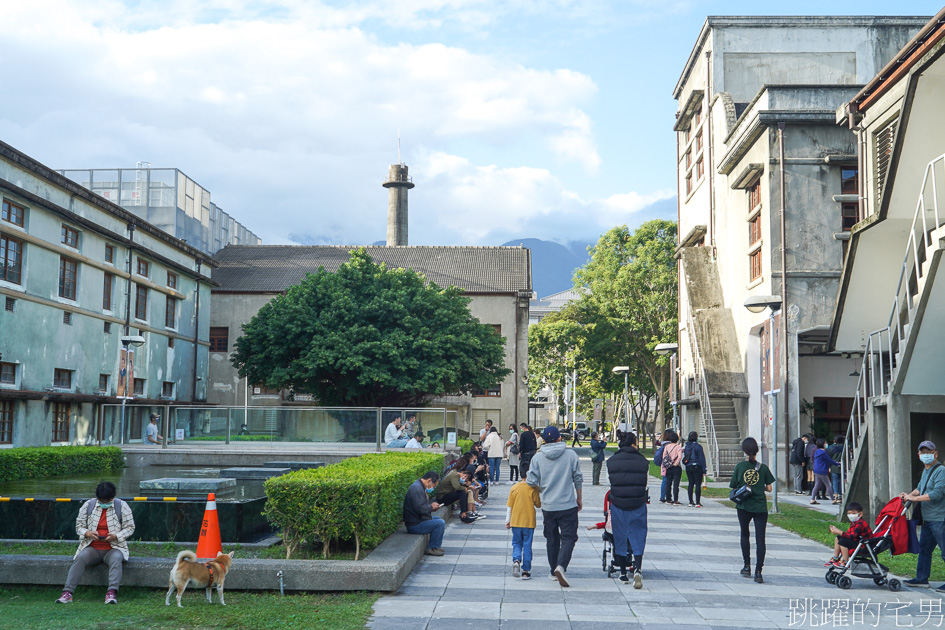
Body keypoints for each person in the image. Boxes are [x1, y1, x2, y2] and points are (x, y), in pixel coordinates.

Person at [55, 481, 136, 604]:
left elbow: (130, 527)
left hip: (114, 547)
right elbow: (79, 526)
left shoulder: (122, 506)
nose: (104, 504)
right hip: (92, 547)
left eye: (107, 501)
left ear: (112, 497)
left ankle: (111, 593)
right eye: (101, 501)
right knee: (80, 558)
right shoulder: (89, 505)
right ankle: (67, 593)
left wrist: (116, 536)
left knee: (116, 558)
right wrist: (87, 533)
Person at [526, 426, 583, 587]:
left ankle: (553, 571)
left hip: (548, 506)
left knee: (551, 538)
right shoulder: (571, 455)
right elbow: (578, 478)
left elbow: (530, 481)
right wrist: (579, 498)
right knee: (569, 537)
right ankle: (561, 566)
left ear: (543, 440)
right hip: (568, 504)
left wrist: (541, 488)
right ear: (560, 438)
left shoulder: (537, 458)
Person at [729, 437, 775, 584]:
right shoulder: (763, 467)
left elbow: (733, 486)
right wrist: (758, 485)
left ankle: (746, 566)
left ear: (744, 450)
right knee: (760, 539)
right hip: (760, 507)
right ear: (756, 450)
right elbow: (769, 488)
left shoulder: (739, 467)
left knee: (744, 534)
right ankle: (758, 572)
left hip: (743, 506)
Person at [606, 431, 649, 588]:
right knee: (638, 535)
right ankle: (637, 569)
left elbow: (609, 483)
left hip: (618, 504)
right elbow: (645, 484)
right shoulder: (643, 462)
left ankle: (623, 573)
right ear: (633, 444)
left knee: (620, 537)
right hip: (638, 504)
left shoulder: (611, 461)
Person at [901, 440, 945, 589]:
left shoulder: (941, 471)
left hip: (940, 519)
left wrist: (914, 498)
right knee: (924, 549)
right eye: (923, 452)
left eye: (929, 452)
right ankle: (921, 578)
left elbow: (937, 494)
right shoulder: (926, 470)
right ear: (919, 455)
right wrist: (908, 495)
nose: (925, 455)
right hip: (927, 519)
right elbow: (920, 488)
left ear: (936, 454)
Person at [403, 471, 445, 556]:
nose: (433, 488)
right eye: (434, 485)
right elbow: (420, 508)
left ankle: (436, 546)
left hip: (417, 520)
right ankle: (432, 547)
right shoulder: (417, 489)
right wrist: (431, 507)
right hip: (414, 524)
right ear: (429, 480)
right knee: (440, 523)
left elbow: (420, 506)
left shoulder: (418, 486)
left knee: (438, 519)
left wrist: (431, 508)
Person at [506, 478, 541, 581]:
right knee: (527, 545)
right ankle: (525, 571)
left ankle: (516, 560)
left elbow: (509, 506)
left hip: (516, 521)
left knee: (516, 543)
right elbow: (538, 504)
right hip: (529, 522)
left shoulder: (514, 487)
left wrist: (508, 520)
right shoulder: (532, 488)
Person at [826, 502, 871, 567]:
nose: (850, 515)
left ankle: (845, 561)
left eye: (853, 513)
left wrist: (839, 531)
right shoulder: (854, 522)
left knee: (843, 541)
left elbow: (852, 536)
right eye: (849, 513)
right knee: (838, 538)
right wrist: (837, 531)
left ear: (860, 514)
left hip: (863, 544)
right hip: (857, 541)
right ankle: (835, 558)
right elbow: (848, 534)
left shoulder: (860, 523)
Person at [810, 438, 840, 505]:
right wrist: (838, 464)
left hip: (816, 470)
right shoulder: (823, 452)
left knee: (817, 485)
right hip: (822, 470)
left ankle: (812, 499)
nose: (825, 444)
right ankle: (833, 499)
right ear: (822, 444)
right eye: (825, 443)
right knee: (828, 485)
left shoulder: (817, 451)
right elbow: (830, 460)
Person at [683, 432, 706, 507]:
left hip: (689, 466)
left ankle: (690, 501)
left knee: (691, 483)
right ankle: (697, 502)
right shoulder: (698, 447)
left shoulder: (686, 446)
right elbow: (702, 458)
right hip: (697, 466)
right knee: (698, 484)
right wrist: (704, 469)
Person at [661, 430, 683, 505]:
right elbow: (680, 457)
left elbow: (664, 456)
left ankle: (668, 499)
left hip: (668, 467)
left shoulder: (666, 447)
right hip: (676, 467)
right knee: (676, 484)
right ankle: (675, 500)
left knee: (668, 483)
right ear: (677, 439)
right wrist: (675, 463)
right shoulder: (678, 447)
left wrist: (667, 463)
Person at [827, 435, 844, 504]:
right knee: (841, 481)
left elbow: (829, 458)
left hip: (834, 466)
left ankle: (835, 495)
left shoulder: (831, 448)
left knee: (834, 481)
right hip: (843, 466)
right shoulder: (845, 447)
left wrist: (829, 467)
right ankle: (840, 496)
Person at [655, 431, 671, 502]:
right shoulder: (668, 445)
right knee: (666, 481)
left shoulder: (663, 443)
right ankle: (665, 496)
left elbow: (656, 443)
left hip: (663, 464)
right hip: (667, 464)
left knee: (665, 480)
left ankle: (663, 496)